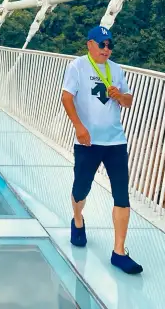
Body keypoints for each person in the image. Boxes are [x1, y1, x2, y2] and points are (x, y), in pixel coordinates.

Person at [61, 25, 143, 275]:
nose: (106, 49)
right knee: (81, 188)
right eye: (101, 44)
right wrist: (79, 127)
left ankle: (119, 252)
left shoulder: (116, 69)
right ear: (90, 44)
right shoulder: (77, 66)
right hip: (88, 142)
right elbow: (66, 97)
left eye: (109, 45)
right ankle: (78, 220)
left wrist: (119, 95)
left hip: (115, 141)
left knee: (121, 195)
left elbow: (129, 101)